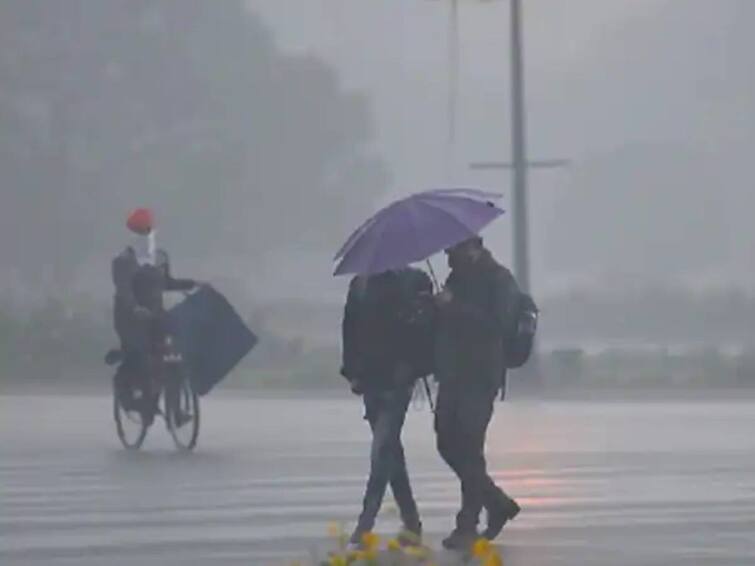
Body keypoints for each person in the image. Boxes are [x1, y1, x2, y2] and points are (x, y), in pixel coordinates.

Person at [433, 236, 521, 550]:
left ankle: (467, 525)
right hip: (452, 373)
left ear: (471, 248)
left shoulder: (499, 279)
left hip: (480, 376)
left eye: (452, 250)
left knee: (469, 448)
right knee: (446, 443)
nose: (447, 256)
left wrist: (454, 307)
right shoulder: (457, 278)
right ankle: (496, 502)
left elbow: (498, 324)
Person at [341, 267, 435, 547]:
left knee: (382, 448)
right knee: (390, 451)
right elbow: (350, 328)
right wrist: (352, 371)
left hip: (398, 378)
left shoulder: (415, 282)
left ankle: (365, 523)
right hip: (370, 377)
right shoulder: (360, 284)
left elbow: (426, 330)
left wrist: (415, 364)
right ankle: (411, 522)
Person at [111, 208, 198, 425]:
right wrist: (134, 308)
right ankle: (138, 401)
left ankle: (175, 411)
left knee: (173, 357)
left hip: (156, 316)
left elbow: (166, 283)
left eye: (148, 231)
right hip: (130, 319)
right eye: (140, 232)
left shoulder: (160, 257)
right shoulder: (123, 260)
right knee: (140, 358)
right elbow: (124, 290)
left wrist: (192, 284)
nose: (145, 236)